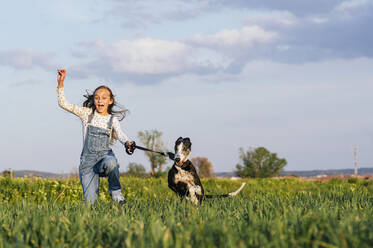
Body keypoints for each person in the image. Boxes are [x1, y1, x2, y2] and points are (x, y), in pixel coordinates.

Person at [57, 69, 134, 204]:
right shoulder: (86, 114)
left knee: (111, 163)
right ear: (93, 99)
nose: (100, 101)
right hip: (88, 163)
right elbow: (63, 104)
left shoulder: (112, 119)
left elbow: (121, 135)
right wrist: (61, 83)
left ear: (110, 101)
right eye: (97, 97)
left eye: (104, 98)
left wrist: (128, 143)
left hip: (105, 157)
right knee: (90, 204)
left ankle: (116, 193)